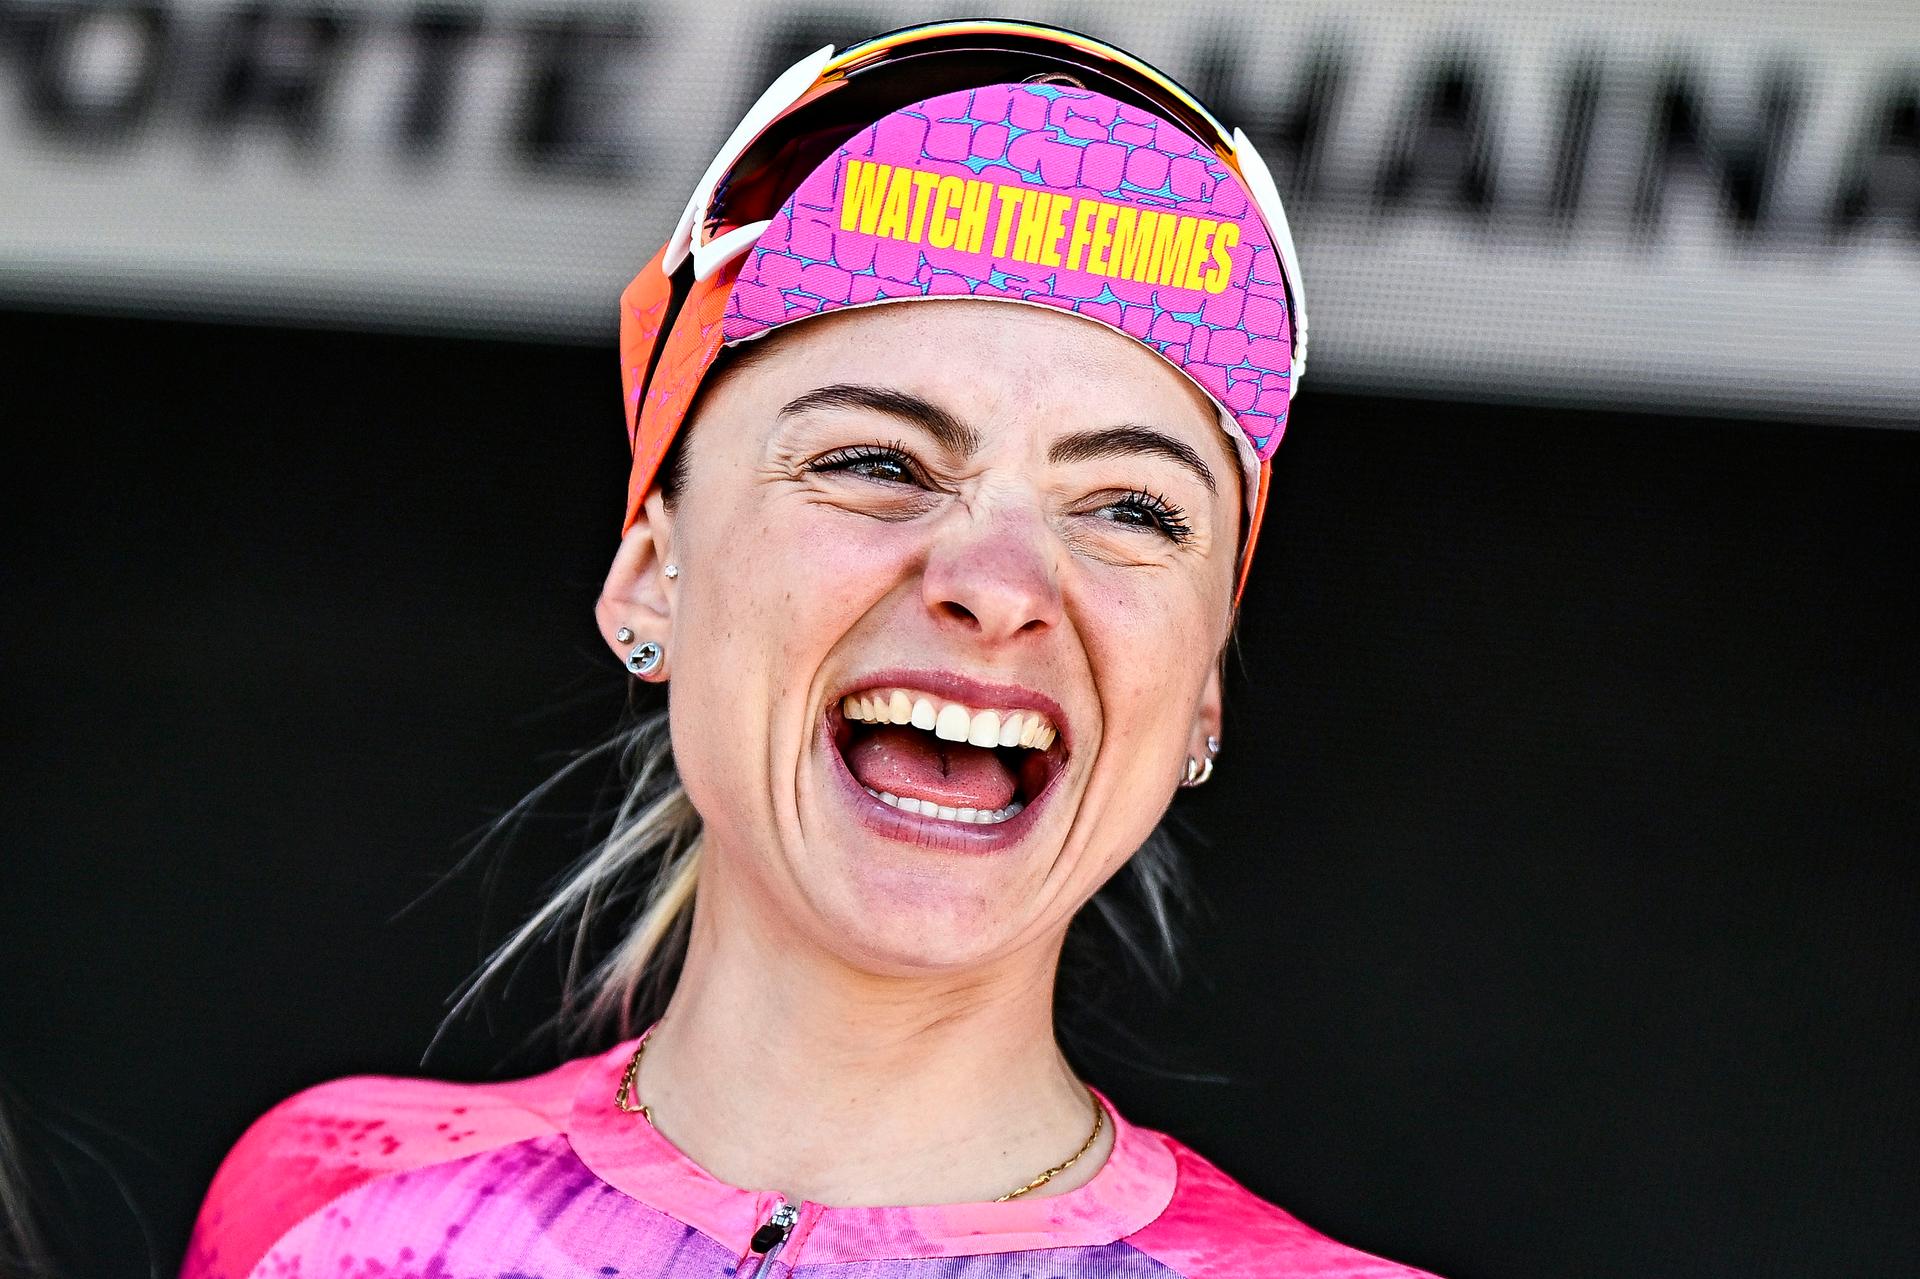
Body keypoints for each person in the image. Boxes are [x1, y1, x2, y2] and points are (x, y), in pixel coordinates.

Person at [181, 20, 1437, 1279]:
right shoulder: (329, 1203)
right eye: (877, 462)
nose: (997, 587)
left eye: (1131, 509)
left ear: (1205, 688)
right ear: (648, 578)